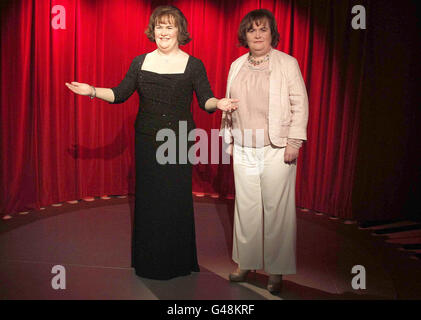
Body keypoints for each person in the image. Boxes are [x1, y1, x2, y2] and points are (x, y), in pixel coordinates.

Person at [65, 5, 238, 280]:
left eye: (169, 26)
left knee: (175, 200)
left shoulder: (193, 65)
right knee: (150, 201)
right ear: (152, 31)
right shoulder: (139, 62)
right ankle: (150, 263)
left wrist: (220, 103)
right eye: (159, 26)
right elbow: (120, 93)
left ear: (180, 31)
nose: (164, 31)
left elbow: (206, 100)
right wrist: (93, 91)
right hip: (147, 140)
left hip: (179, 141)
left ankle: (178, 262)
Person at [220, 9, 308, 294]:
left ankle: (276, 271)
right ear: (244, 35)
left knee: (276, 211)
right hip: (244, 147)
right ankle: (245, 263)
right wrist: (228, 140)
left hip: (276, 148)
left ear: (272, 34)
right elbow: (229, 104)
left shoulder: (287, 63)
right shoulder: (236, 65)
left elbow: (300, 104)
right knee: (246, 210)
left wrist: (294, 142)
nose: (257, 35)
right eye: (252, 30)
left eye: (263, 30)